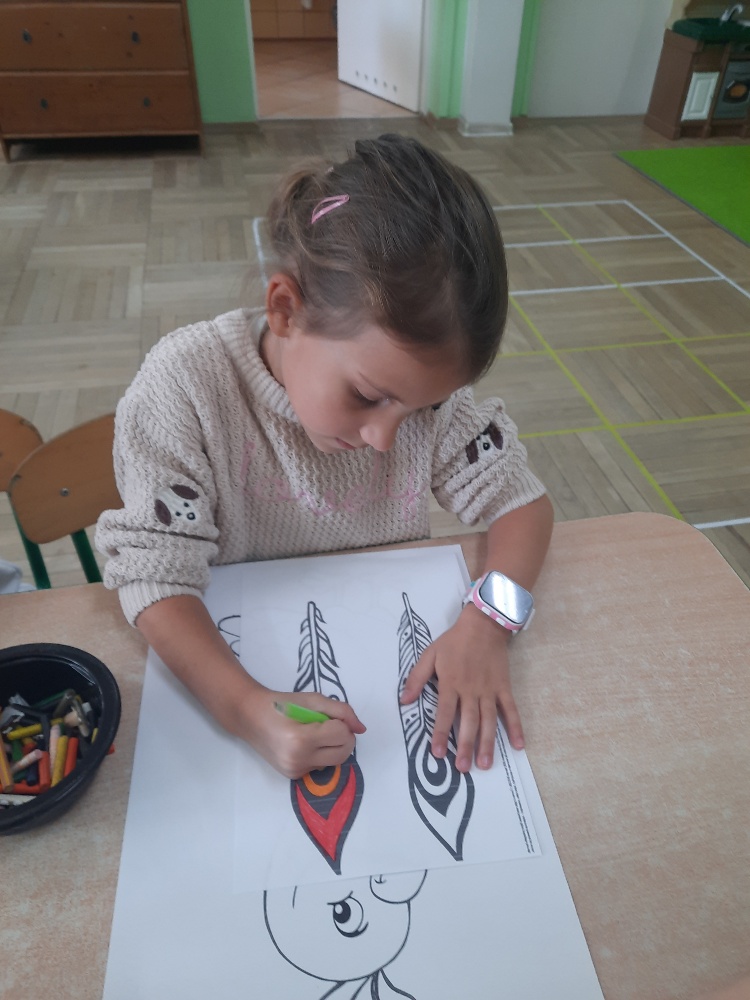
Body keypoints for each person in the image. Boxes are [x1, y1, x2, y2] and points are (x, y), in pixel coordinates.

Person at [96, 133, 554, 780]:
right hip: (237, 667)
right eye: (366, 397)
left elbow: (523, 505)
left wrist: (489, 621)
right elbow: (155, 576)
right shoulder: (185, 386)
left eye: (418, 410)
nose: (386, 438)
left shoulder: (415, 390)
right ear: (286, 310)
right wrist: (243, 708)